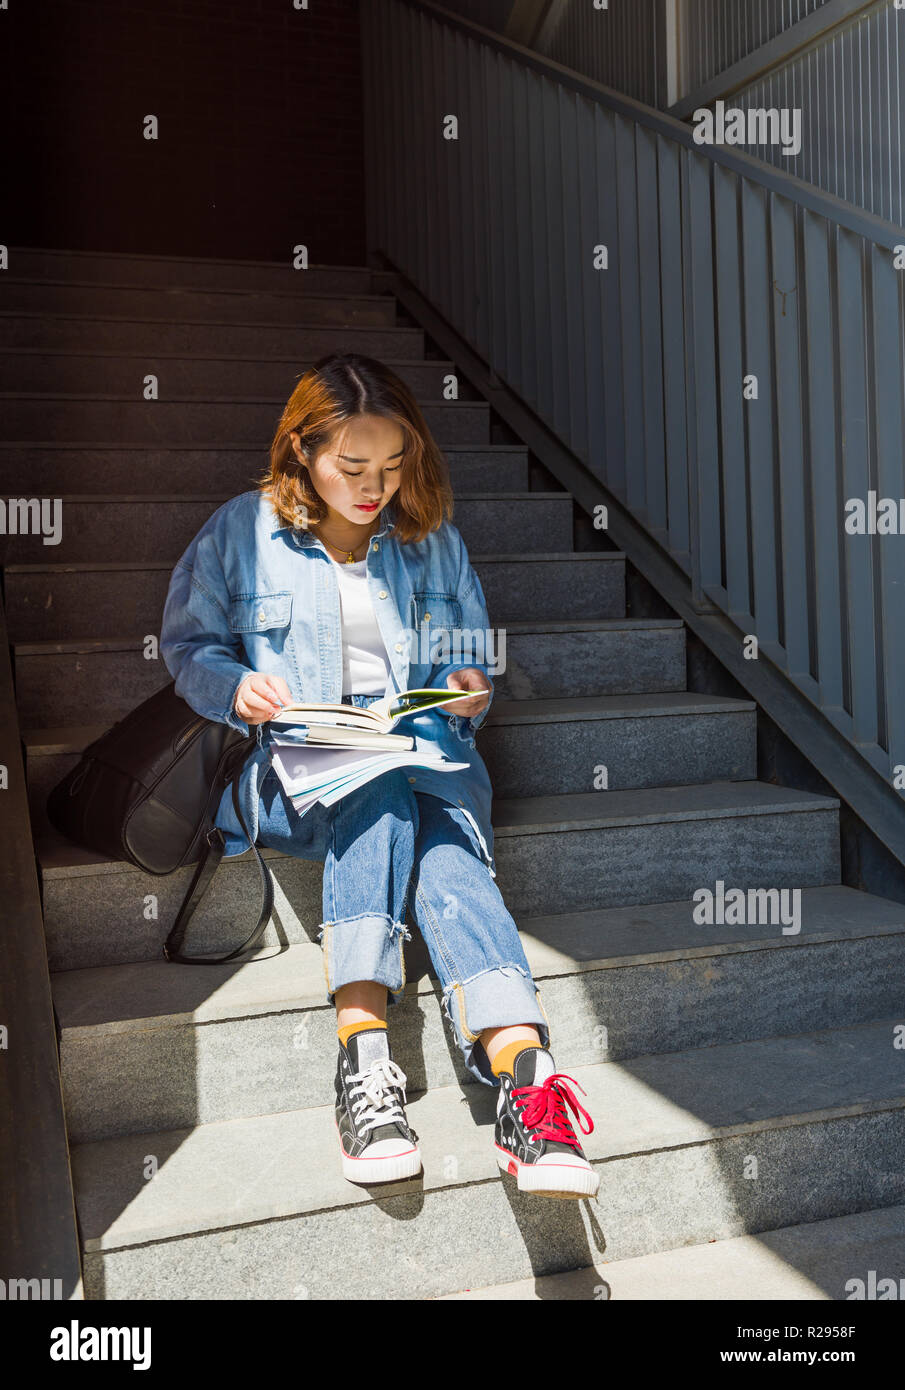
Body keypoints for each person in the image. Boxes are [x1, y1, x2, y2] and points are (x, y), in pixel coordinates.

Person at [160, 352, 598, 1199]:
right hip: (289, 782)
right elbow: (189, 647)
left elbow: (470, 653)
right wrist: (234, 687)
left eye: (393, 467)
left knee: (438, 849)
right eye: (352, 467)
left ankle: (526, 1078)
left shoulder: (432, 542)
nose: (375, 488)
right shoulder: (241, 534)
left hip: (424, 767)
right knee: (381, 786)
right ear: (300, 452)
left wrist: (472, 685)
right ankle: (365, 1052)